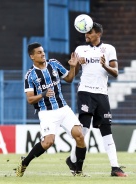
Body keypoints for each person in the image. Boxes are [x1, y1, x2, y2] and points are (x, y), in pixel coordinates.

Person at [15, 42, 87, 177]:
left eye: (43, 51)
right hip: (46, 112)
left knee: (80, 135)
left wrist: (73, 67)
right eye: (39, 52)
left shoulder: (53, 64)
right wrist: (43, 94)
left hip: (63, 108)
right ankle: (25, 163)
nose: (43, 54)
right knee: (48, 142)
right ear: (32, 56)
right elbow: (30, 99)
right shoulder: (30, 75)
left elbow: (70, 79)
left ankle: (78, 171)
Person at [65, 22, 128, 177]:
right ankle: (74, 160)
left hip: (102, 94)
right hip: (85, 92)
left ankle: (115, 167)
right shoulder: (80, 49)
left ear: (98, 33)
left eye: (90, 33)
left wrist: (104, 66)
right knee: (83, 130)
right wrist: (75, 65)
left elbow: (115, 72)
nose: (86, 35)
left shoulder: (109, 49)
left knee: (106, 130)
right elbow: (75, 72)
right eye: (85, 33)